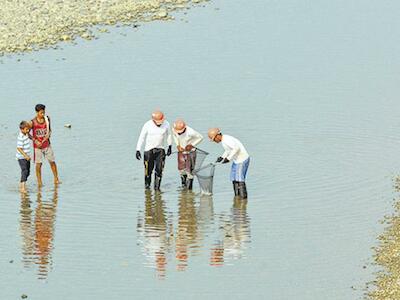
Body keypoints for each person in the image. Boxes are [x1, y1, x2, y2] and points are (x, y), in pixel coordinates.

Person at [208, 128, 250, 199]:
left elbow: (236, 148)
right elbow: (228, 150)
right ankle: (237, 198)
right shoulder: (224, 140)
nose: (214, 141)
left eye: (214, 139)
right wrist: (222, 157)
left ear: (217, 136)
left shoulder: (227, 139)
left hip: (242, 160)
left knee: (240, 179)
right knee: (234, 178)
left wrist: (228, 158)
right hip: (236, 160)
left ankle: (243, 199)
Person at [136, 110, 172, 190]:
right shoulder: (147, 125)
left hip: (160, 150)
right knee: (148, 171)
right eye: (158, 122)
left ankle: (157, 190)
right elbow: (142, 137)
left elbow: (169, 135)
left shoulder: (166, 124)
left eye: (161, 122)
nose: (160, 123)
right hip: (149, 150)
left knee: (159, 171)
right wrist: (138, 149)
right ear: (153, 120)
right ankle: (147, 188)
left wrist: (170, 146)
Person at [29, 104, 60, 187]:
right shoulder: (32, 122)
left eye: (44, 112)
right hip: (37, 147)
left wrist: (48, 135)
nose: (43, 114)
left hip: (47, 145)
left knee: (52, 162)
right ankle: (39, 182)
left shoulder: (47, 119)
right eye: (41, 113)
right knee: (39, 164)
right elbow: (27, 133)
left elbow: (50, 130)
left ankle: (56, 179)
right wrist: (35, 140)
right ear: (37, 112)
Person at [172, 119, 203, 190]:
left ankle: (189, 190)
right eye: (178, 132)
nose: (179, 133)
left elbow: (201, 137)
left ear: (184, 128)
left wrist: (191, 145)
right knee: (181, 170)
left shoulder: (191, 132)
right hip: (181, 151)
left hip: (191, 152)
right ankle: (183, 187)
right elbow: (175, 136)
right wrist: (177, 145)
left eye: (181, 132)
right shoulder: (174, 129)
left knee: (190, 172)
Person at [16, 121, 32, 193]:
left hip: (27, 157)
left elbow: (30, 135)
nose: (28, 130)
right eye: (26, 129)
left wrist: (34, 139)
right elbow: (19, 148)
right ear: (21, 129)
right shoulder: (20, 137)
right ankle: (22, 188)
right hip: (21, 157)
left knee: (28, 172)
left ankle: (21, 183)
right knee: (24, 170)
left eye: (28, 129)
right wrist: (25, 156)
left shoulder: (26, 134)